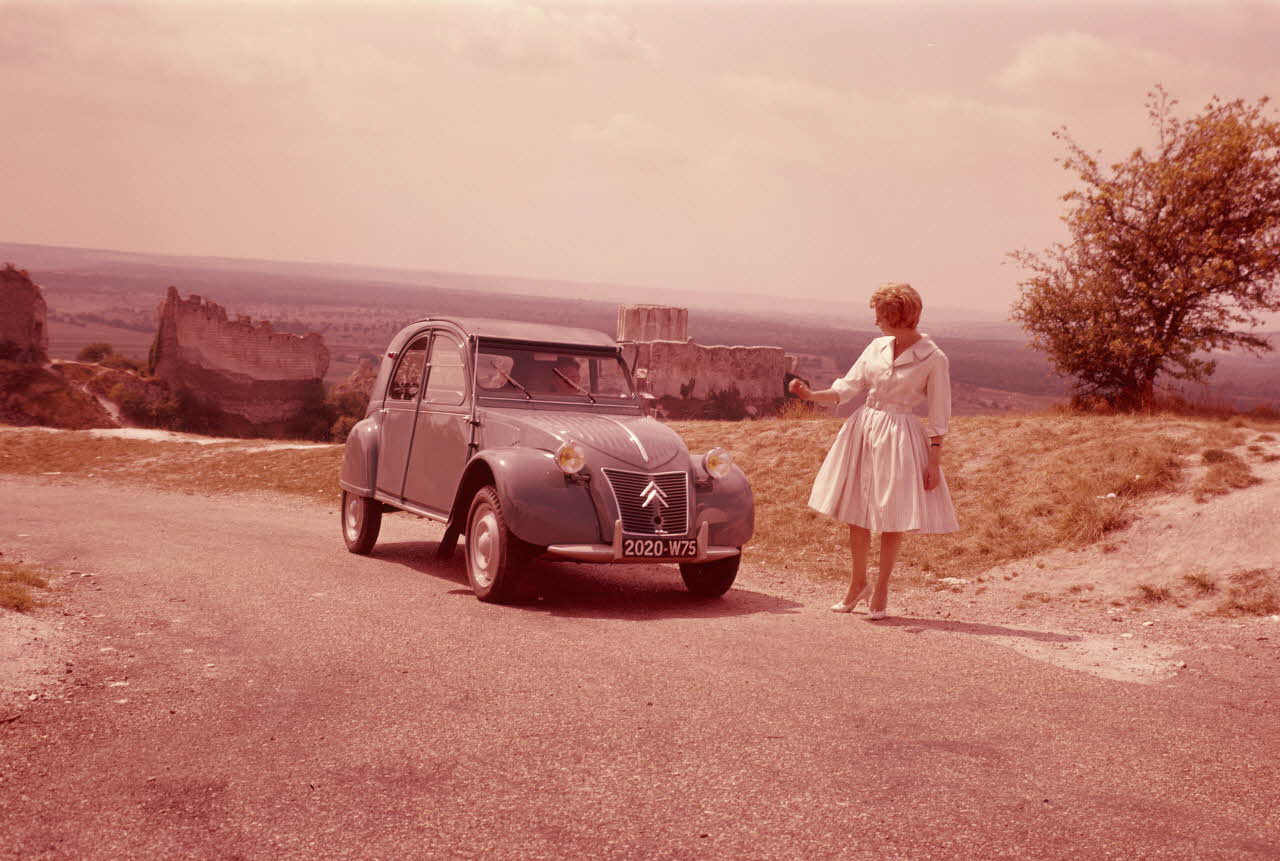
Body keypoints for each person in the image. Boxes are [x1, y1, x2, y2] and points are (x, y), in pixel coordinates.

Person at [788, 283, 958, 620]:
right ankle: (857, 584)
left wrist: (934, 461)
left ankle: (881, 588)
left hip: (901, 435)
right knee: (857, 509)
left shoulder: (933, 358)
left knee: (891, 514)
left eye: (880, 316)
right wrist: (810, 395)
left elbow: (939, 414)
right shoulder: (876, 347)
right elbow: (846, 389)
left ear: (897, 317)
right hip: (864, 428)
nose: (875, 323)